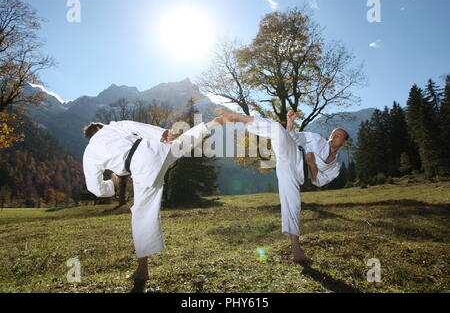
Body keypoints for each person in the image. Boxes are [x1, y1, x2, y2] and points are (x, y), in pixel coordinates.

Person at [82, 116, 224, 288]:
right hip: (154, 149)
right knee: (182, 143)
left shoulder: (89, 153)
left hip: (142, 166)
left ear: (91, 136)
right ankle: (214, 122)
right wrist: (162, 133)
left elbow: (95, 188)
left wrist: (112, 182)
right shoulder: (113, 127)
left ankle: (142, 270)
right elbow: (134, 125)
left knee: (141, 216)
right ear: (99, 128)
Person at [214, 108, 349, 263]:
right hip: (291, 154)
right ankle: (237, 117)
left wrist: (312, 165)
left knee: (293, 204)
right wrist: (290, 122)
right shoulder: (316, 139)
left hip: (296, 172)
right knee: (278, 128)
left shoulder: (335, 166)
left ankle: (297, 251)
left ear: (344, 142)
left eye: (338, 135)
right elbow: (292, 137)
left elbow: (318, 181)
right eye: (333, 133)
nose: (333, 136)